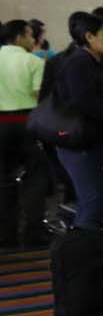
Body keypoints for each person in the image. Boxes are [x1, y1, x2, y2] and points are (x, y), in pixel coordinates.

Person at [42, 11, 103, 229]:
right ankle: (82, 253)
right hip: (79, 144)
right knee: (94, 201)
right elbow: (85, 102)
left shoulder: (92, 62)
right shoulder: (79, 63)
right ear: (89, 37)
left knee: (95, 200)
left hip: (91, 141)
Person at [0, 19, 49, 247]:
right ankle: (33, 233)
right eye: (30, 35)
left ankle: (6, 235)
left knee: (3, 180)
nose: (33, 39)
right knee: (35, 179)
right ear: (19, 37)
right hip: (27, 122)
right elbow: (40, 97)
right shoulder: (33, 61)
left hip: (1, 125)